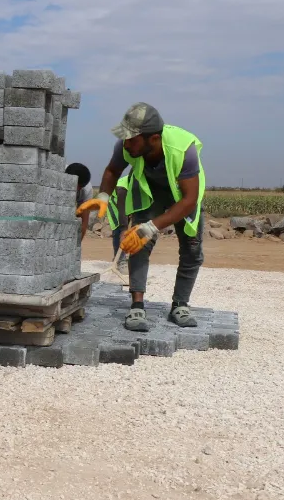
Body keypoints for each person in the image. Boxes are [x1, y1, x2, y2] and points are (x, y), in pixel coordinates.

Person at [75, 102, 206, 332]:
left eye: (131, 139)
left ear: (153, 138)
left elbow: (189, 200)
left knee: (192, 250)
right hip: (149, 193)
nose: (126, 144)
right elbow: (113, 170)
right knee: (136, 242)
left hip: (183, 196)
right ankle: (137, 306)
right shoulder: (126, 145)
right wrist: (103, 196)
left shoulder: (183, 149)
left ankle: (180, 305)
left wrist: (152, 227)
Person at [66, 163, 93, 242]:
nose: (77, 189)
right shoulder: (55, 174)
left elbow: (83, 221)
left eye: (80, 187)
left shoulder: (86, 190)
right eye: (77, 186)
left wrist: (76, 244)